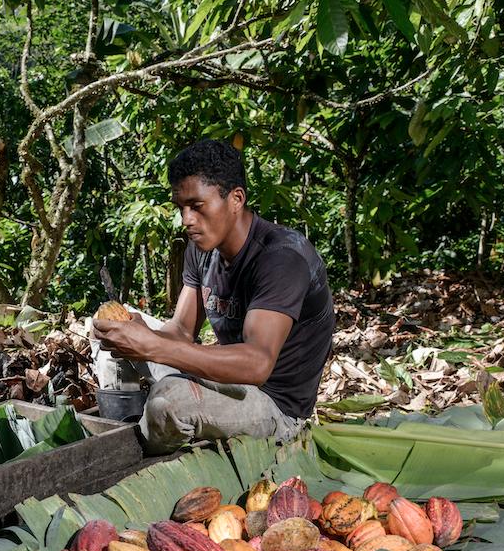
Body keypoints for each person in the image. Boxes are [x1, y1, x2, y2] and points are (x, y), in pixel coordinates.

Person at [92, 139, 334, 454]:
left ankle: (133, 453)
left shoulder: (282, 257)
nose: (186, 220)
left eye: (196, 206)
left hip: (274, 407)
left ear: (235, 199)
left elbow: (258, 363)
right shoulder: (202, 249)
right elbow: (180, 331)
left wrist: (153, 346)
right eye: (181, 208)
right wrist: (141, 335)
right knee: (112, 339)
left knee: (169, 402)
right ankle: (129, 425)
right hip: (226, 380)